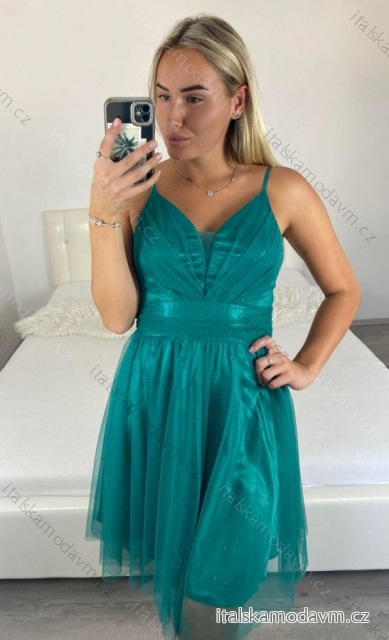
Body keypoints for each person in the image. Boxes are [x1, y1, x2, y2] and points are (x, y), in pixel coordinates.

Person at [85, 13, 361, 640]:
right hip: (155, 395)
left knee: (224, 571)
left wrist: (308, 366)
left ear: (238, 101)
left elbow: (344, 289)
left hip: (241, 402)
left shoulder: (284, 190)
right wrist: (102, 211)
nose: (173, 117)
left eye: (194, 97)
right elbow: (116, 316)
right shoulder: (136, 188)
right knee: (183, 572)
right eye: (161, 97)